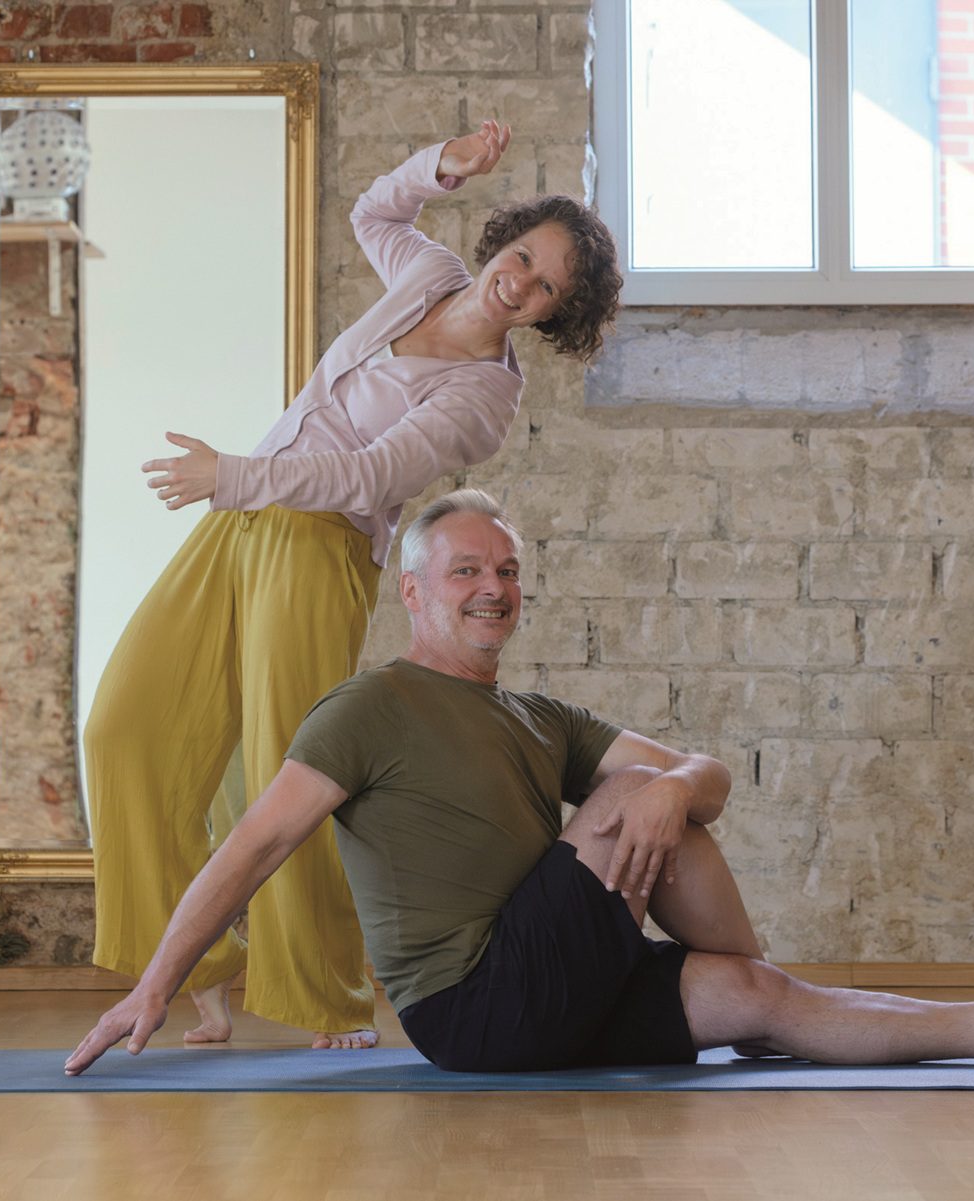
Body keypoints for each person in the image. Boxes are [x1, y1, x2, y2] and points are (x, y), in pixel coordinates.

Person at [66, 490, 974, 1076]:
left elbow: (707, 774)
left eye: (507, 571)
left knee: (749, 984)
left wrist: (674, 787)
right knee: (634, 792)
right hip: (473, 1004)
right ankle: (737, 964)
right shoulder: (367, 708)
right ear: (414, 591)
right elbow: (254, 846)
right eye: (467, 571)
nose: (494, 588)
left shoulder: (538, 716)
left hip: (560, 971)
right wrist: (156, 986)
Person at [84, 123, 624, 1050]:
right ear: (505, 240)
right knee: (124, 727)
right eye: (525, 256)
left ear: (550, 315)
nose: (522, 282)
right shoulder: (430, 274)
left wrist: (232, 474)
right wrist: (442, 166)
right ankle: (203, 966)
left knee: (288, 770)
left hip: (316, 544)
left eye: (546, 288)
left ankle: (326, 998)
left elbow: (367, 476)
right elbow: (375, 211)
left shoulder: (485, 400)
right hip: (242, 522)